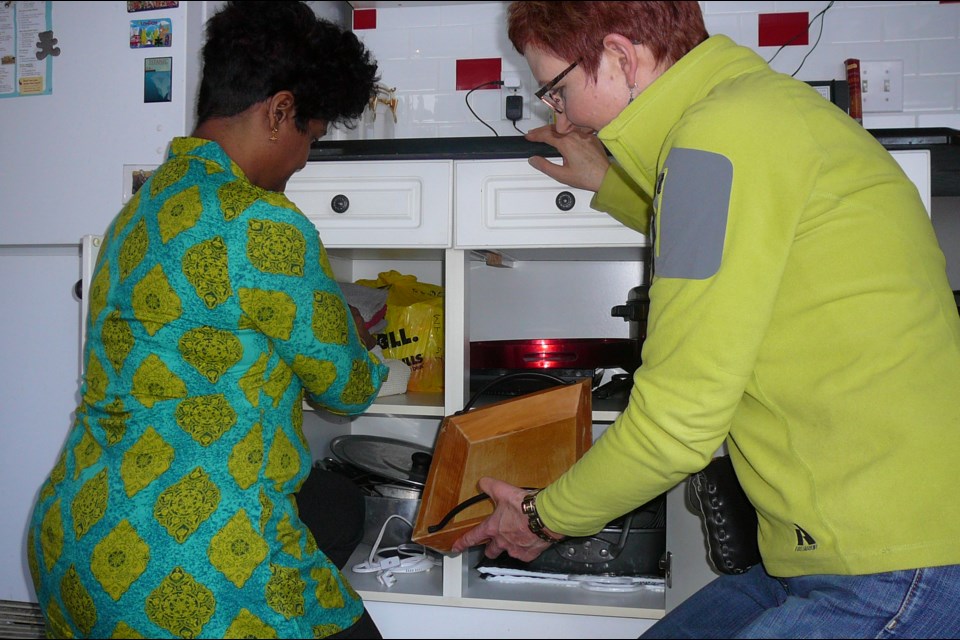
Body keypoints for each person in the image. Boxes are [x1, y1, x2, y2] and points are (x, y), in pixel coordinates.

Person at [452, 2, 960, 638]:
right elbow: (739, 244)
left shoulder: (717, 137)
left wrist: (541, 516)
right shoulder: (751, 112)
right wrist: (612, 182)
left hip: (894, 563)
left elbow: (675, 426)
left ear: (620, 56)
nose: (561, 117)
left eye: (557, 90)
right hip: (861, 544)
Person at [27, 2, 389, 638]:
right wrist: (355, 339)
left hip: (72, 545)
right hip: (188, 566)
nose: (304, 160)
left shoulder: (136, 214)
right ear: (280, 111)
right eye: (310, 135)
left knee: (333, 506)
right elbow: (348, 388)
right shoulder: (263, 224)